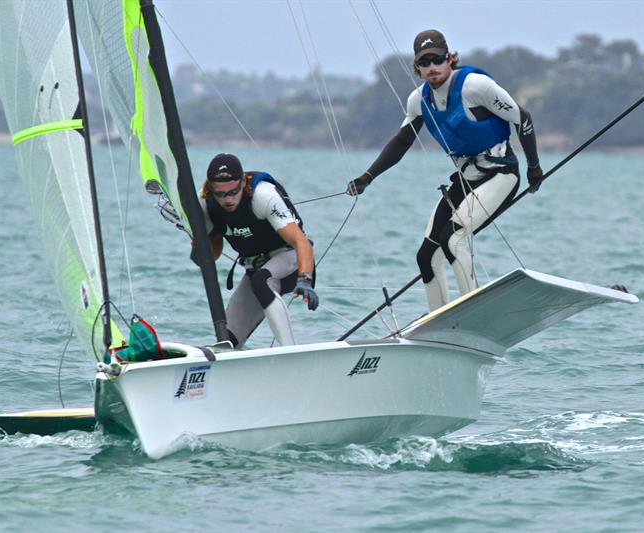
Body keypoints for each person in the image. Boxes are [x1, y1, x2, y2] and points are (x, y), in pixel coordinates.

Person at [347, 29, 543, 310]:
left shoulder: (475, 86)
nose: (432, 68)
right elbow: (402, 141)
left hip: (501, 174)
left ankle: (473, 313)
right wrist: (368, 176)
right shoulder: (418, 100)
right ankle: (438, 322)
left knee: (454, 239)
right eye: (424, 63)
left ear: (450, 58)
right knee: (426, 256)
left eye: (437, 59)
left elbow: (522, 118)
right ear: (417, 67)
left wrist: (533, 167)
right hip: (467, 179)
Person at [195, 153, 318, 348]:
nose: (227, 199)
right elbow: (212, 255)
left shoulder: (263, 196)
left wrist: (305, 279)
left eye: (233, 191)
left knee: (262, 280)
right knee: (226, 342)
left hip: (291, 261)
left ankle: (291, 352)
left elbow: (301, 242)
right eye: (220, 193)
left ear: (243, 182)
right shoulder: (205, 204)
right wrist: (196, 238)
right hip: (255, 271)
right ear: (210, 189)